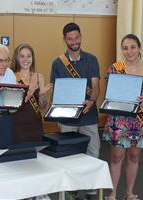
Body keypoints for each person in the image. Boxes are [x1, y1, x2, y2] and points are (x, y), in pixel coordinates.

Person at [103, 34, 143, 200]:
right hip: (118, 119)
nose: (129, 51)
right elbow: (110, 94)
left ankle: (129, 193)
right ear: (122, 50)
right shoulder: (115, 68)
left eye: (133, 47)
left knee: (134, 156)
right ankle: (112, 194)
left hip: (139, 118)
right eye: (125, 48)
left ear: (139, 48)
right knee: (116, 156)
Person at [50, 22, 101, 199]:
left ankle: (91, 189)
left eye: (76, 37)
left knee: (92, 153)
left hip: (89, 115)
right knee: (69, 155)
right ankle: (71, 190)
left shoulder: (92, 59)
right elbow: (57, 91)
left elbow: (95, 86)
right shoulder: (57, 63)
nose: (74, 41)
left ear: (81, 36)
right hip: (67, 119)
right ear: (64, 39)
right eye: (70, 38)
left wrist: (92, 101)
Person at [10, 43, 52, 144]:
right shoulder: (11, 77)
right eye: (22, 56)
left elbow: (42, 105)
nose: (26, 59)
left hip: (36, 125)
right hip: (17, 126)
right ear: (17, 58)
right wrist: (31, 91)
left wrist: (42, 95)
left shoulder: (39, 77)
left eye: (29, 56)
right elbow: (12, 105)